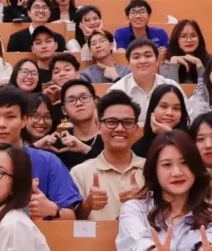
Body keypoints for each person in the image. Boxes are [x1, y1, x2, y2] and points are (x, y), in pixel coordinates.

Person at [0, 86, 82, 220]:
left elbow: (70, 218)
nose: (1, 124)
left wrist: (53, 210)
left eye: (10, 117)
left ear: (24, 120)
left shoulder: (49, 162)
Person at [116, 130, 212, 251]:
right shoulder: (134, 210)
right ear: (154, 170)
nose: (177, 172)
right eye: (167, 165)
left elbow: (211, 244)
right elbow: (136, 241)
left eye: (184, 163)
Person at [71, 90, 146, 220]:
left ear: (136, 129)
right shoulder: (80, 173)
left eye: (127, 122)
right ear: (98, 127)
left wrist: (144, 200)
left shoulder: (152, 169)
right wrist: (86, 205)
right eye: (111, 122)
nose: (120, 129)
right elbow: (69, 224)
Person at [108, 39, 187, 124]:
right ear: (128, 64)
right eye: (136, 57)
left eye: (148, 56)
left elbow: (187, 118)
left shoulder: (172, 86)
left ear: (157, 61)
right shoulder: (117, 91)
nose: (143, 61)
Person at [56, 80, 104, 169]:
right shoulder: (60, 144)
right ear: (64, 110)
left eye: (84, 98)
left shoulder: (109, 135)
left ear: (95, 102)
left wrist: (84, 149)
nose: (79, 103)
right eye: (71, 100)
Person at [132, 84, 190, 157]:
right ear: (152, 110)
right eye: (163, 106)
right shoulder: (138, 149)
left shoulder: (191, 141)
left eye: (176, 108)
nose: (170, 113)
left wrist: (169, 134)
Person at [160, 20, 208, 85]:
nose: (189, 40)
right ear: (176, 40)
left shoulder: (210, 61)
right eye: (183, 36)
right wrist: (174, 62)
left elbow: (207, 89)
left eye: (193, 36)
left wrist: (198, 63)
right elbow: (171, 89)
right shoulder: (166, 64)